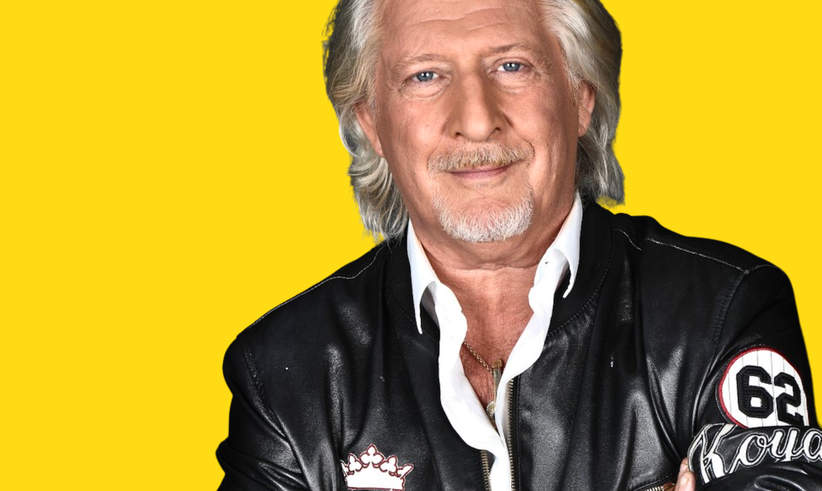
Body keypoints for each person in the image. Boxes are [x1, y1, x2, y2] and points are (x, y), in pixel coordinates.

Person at [217, 0, 821, 489]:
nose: (477, 119)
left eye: (511, 66)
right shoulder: (284, 377)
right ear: (371, 122)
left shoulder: (721, 314)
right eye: (425, 76)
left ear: (580, 96)